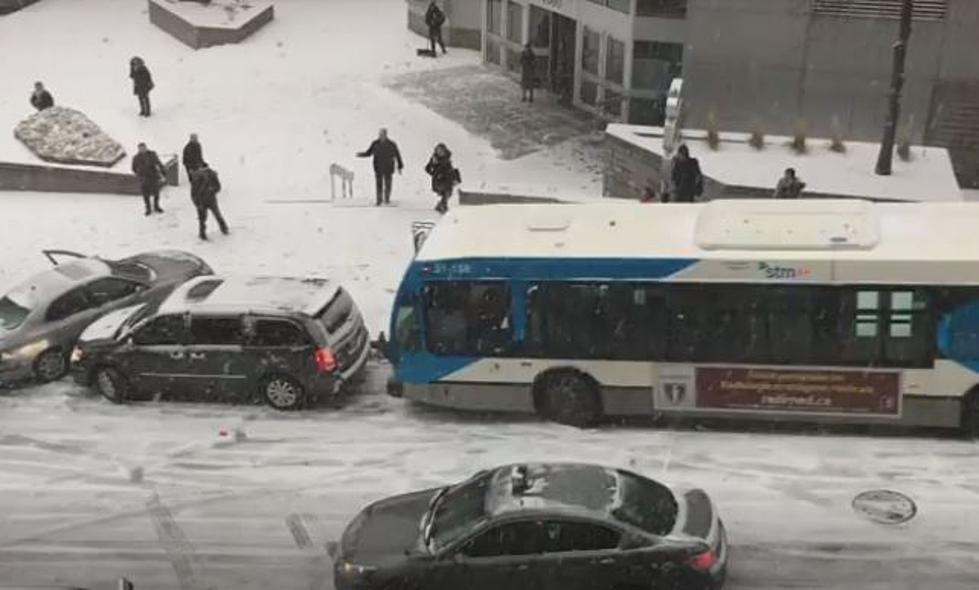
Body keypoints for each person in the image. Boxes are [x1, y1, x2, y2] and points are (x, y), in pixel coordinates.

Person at [356, 128, 404, 206]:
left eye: (383, 134)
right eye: (380, 134)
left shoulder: (392, 144)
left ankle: (387, 199)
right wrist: (361, 154)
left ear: (386, 135)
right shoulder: (375, 143)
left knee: (388, 184)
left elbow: (397, 155)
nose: (381, 136)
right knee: (379, 184)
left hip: (388, 167)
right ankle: (379, 200)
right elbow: (369, 153)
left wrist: (400, 166)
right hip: (378, 167)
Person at [190, 163, 229, 240]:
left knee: (204, 218)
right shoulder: (204, 176)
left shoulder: (208, 176)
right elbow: (218, 187)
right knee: (212, 216)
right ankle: (223, 229)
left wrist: (196, 202)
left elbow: (193, 193)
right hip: (208, 200)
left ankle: (203, 233)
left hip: (204, 200)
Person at [131, 142, 167, 215]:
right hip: (144, 178)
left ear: (146, 148)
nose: (142, 150)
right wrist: (139, 174)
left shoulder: (152, 154)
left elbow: (158, 163)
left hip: (153, 176)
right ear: (138, 149)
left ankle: (156, 206)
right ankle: (148, 208)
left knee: (156, 193)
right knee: (145, 195)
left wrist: (163, 171)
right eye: (141, 149)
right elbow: (134, 168)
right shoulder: (136, 158)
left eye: (143, 148)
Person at [425, 143, 460, 214]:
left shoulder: (448, 158)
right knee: (445, 191)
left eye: (441, 151)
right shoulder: (434, 159)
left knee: (448, 193)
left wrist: (455, 178)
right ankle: (443, 206)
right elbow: (427, 169)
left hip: (448, 178)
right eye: (438, 151)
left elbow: (452, 169)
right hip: (438, 180)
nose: (440, 152)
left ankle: (442, 205)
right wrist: (434, 172)